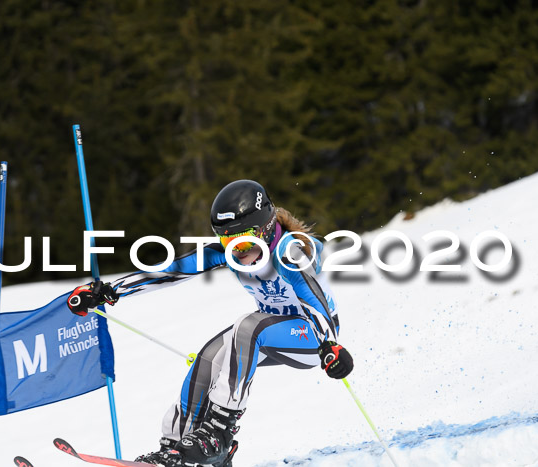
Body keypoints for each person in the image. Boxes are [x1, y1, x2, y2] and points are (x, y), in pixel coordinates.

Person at [67, 180, 353, 467]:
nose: (237, 253)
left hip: (313, 338)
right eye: (228, 242)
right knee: (208, 357)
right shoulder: (232, 253)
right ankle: (177, 448)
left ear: (265, 229)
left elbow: (316, 303)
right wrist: (110, 291)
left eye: (242, 242)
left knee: (247, 326)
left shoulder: (288, 252)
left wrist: (330, 345)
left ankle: (219, 434)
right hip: (267, 334)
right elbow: (171, 271)